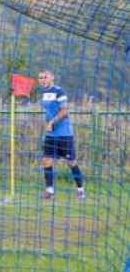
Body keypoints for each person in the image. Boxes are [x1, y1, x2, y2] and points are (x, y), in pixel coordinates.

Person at [37, 70, 85, 200]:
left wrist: (53, 121)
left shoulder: (59, 91)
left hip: (64, 134)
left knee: (71, 162)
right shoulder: (43, 93)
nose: (42, 80)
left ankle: (80, 189)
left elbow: (64, 111)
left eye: (45, 77)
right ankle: (49, 191)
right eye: (40, 78)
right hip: (50, 135)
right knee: (46, 161)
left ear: (52, 77)